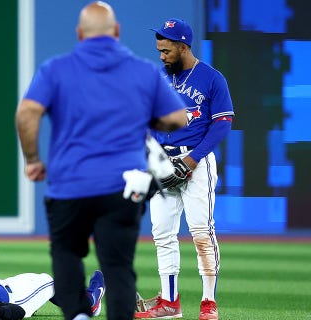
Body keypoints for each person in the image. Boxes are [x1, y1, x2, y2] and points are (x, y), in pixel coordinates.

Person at [14, 2, 187, 320]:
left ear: (79, 34)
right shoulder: (143, 70)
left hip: (69, 185)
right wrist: (148, 122)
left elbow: (26, 113)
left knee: (67, 256)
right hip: (123, 188)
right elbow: (177, 118)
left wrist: (33, 159)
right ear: (117, 31)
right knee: (118, 266)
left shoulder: (56, 68)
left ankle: (79, 315)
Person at [134, 18, 234, 320]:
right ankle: (169, 302)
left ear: (183, 47)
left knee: (202, 232)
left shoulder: (212, 78)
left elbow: (222, 123)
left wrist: (193, 160)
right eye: (159, 51)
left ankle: (208, 303)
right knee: (162, 233)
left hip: (197, 161)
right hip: (162, 163)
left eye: (166, 51)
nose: (161, 56)